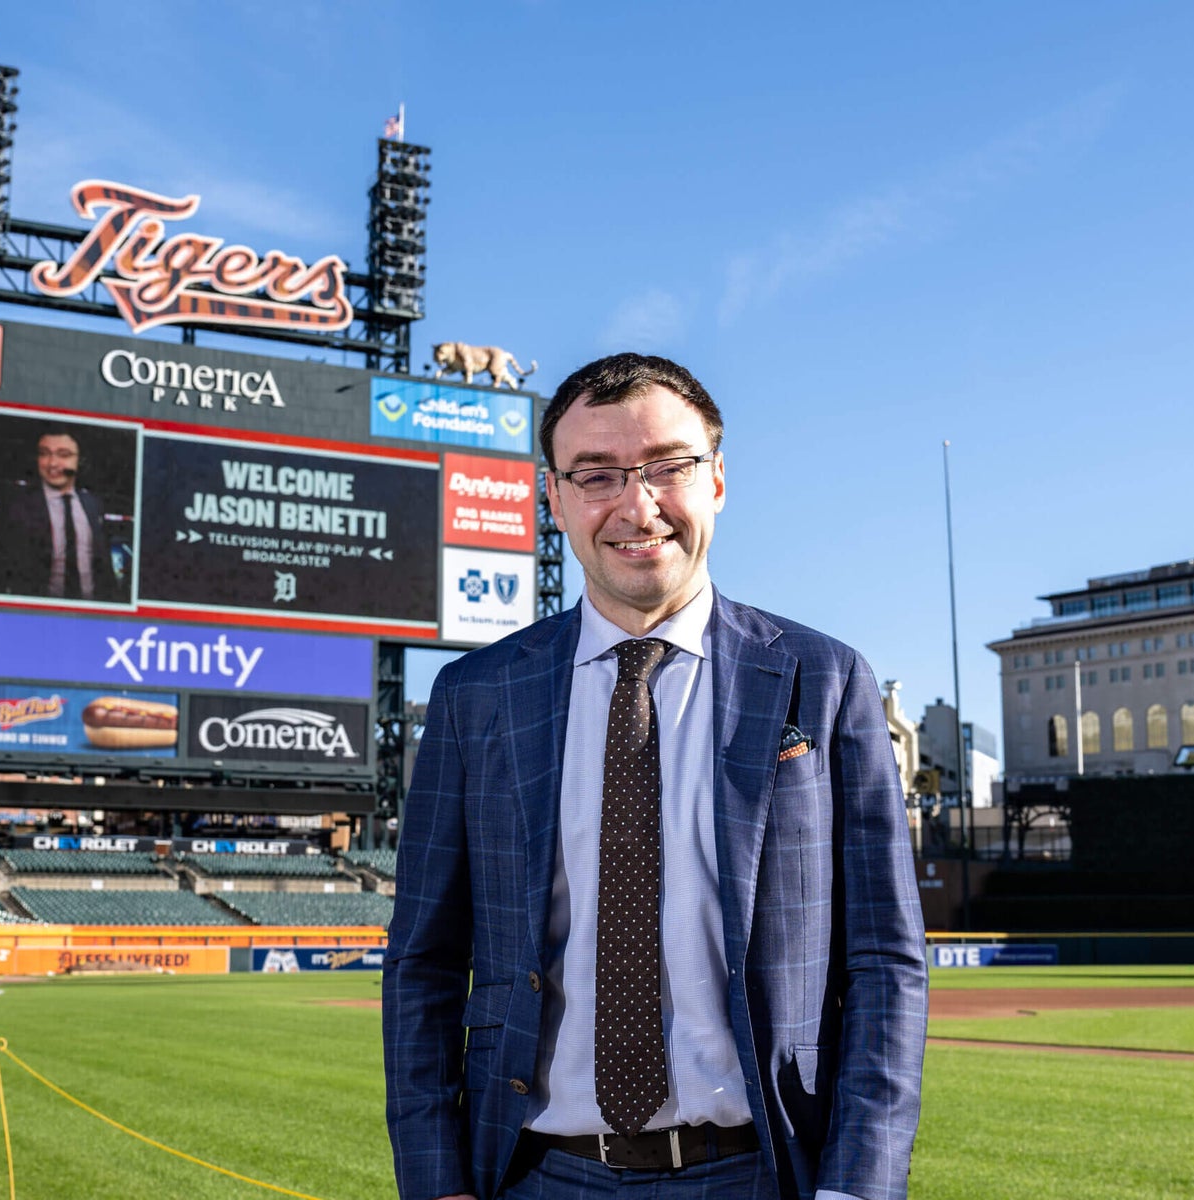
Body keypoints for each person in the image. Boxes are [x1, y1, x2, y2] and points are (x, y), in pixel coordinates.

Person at [383, 354, 926, 1200]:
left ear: (716, 481)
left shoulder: (824, 680)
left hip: (763, 1172)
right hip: (535, 1175)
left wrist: (859, 1185)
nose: (637, 506)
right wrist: (435, 1180)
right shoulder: (475, 696)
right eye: (596, 475)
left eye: (667, 466)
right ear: (553, 498)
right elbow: (423, 961)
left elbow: (885, 959)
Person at [0, 424, 120, 600]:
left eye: (64, 455)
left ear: (80, 461)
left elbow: (104, 567)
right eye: (44, 453)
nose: (52, 463)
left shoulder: (93, 505)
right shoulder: (16, 507)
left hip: (90, 614)